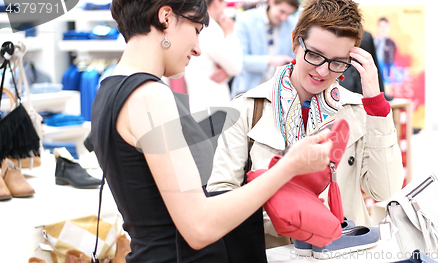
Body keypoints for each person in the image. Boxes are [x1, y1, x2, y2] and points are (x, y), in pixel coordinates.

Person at [90, 0, 335, 262]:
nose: (197, 49)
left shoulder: (109, 91)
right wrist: (288, 167)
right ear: (166, 18)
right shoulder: (150, 96)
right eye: (196, 30)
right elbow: (199, 226)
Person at [207, 0, 405, 248]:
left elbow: (384, 190)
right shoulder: (247, 108)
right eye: (314, 55)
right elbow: (220, 195)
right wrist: (281, 211)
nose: (322, 71)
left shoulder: (358, 110)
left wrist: (376, 105)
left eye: (337, 62)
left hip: (345, 252)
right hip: (276, 252)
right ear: (295, 42)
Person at [230, 0, 299, 97]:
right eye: (282, 11)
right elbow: (240, 60)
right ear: (271, 2)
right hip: (247, 90)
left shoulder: (292, 24)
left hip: (278, 94)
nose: (284, 18)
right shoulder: (245, 19)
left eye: (288, 14)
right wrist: (270, 60)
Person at [184, 0, 242, 115]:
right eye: (224, 2)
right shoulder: (210, 28)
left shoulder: (195, 25)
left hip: (199, 105)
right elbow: (236, 66)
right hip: (212, 106)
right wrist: (230, 33)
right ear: (216, 2)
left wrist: (227, 71)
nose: (225, 5)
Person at [374, 17, 397, 81]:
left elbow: (392, 59)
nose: (382, 29)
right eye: (380, 26)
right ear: (377, 27)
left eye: (384, 26)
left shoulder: (391, 43)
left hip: (385, 71)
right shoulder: (372, 41)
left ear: (387, 28)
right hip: (373, 69)